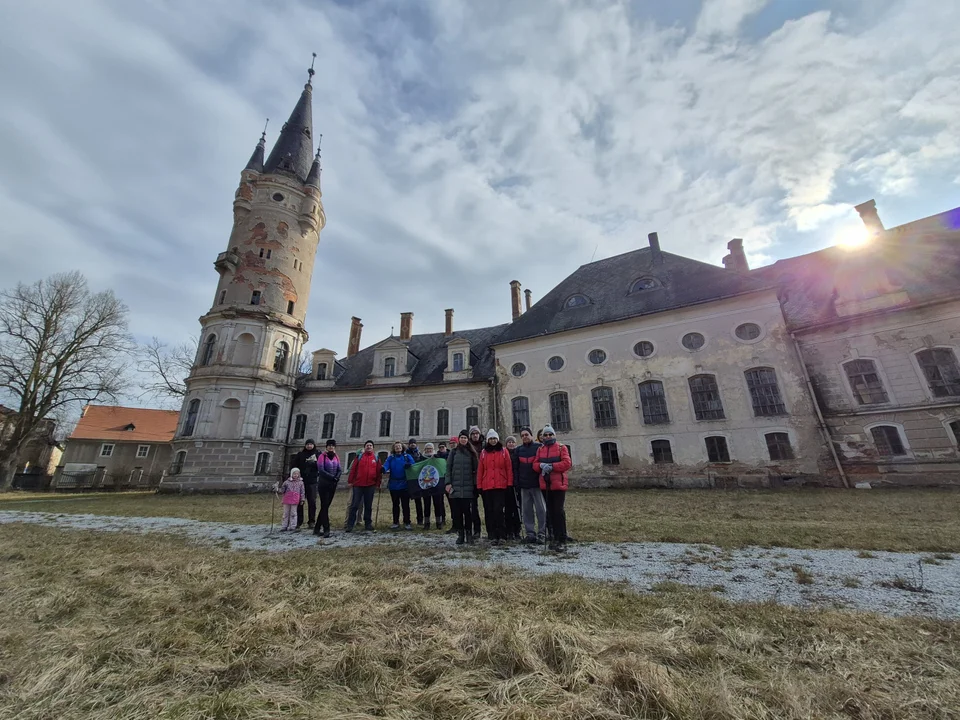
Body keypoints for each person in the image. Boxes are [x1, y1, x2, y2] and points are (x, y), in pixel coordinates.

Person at [533, 425, 573, 552]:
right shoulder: (540, 450)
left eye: (550, 434)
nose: (548, 437)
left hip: (558, 485)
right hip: (545, 485)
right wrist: (541, 465)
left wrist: (552, 466)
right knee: (549, 511)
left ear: (554, 435)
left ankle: (561, 537)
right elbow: (535, 465)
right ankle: (552, 536)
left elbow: (567, 463)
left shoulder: (562, 448)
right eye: (546, 435)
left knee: (558, 511)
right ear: (543, 437)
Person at [477, 429, 514, 545]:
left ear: (497, 439)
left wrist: (509, 483)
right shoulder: (483, 452)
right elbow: (480, 470)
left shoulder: (503, 451)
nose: (493, 440)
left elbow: (508, 468)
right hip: (487, 485)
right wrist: (479, 485)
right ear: (488, 440)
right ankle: (491, 535)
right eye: (491, 439)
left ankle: (502, 535)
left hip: (500, 485)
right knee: (489, 511)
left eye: (494, 438)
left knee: (499, 510)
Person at [445, 429, 479, 545]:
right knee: (457, 513)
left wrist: (475, 485)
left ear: (467, 439)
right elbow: (448, 468)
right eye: (461, 438)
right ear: (459, 439)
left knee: (468, 513)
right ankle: (461, 534)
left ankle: (469, 534)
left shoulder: (472, 453)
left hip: (468, 487)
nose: (463, 439)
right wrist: (448, 483)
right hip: (455, 487)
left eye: (465, 438)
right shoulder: (453, 452)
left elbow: (476, 470)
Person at [514, 426, 545, 544]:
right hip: (524, 485)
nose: (524, 437)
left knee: (541, 510)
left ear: (531, 436)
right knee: (527, 511)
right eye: (522, 436)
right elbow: (516, 467)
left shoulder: (539, 448)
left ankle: (542, 533)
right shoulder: (519, 450)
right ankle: (530, 533)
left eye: (526, 434)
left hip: (537, 484)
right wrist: (517, 482)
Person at [346, 441, 381, 532]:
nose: (369, 447)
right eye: (367, 445)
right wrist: (350, 481)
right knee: (354, 505)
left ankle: (368, 523)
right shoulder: (359, 457)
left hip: (370, 485)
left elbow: (378, 472)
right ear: (364, 447)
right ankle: (350, 524)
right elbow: (353, 469)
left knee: (368, 505)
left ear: (373, 448)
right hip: (358, 485)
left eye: (370, 445)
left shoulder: (376, 458)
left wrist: (378, 483)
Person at [313, 439, 341, 538]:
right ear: (326, 447)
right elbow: (321, 470)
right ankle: (326, 528)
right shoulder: (322, 456)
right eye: (329, 445)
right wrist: (332, 477)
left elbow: (339, 469)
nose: (331, 447)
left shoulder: (336, 456)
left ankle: (316, 528)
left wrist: (337, 476)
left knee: (325, 507)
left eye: (332, 445)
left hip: (332, 485)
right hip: (323, 484)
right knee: (324, 506)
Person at [383, 441, 414, 529]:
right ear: (394, 448)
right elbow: (386, 465)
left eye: (399, 446)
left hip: (405, 484)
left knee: (405, 505)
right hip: (393, 485)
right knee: (395, 504)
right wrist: (383, 469)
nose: (398, 448)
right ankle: (395, 522)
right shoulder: (391, 458)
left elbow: (413, 465)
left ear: (402, 447)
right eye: (396, 446)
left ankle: (407, 522)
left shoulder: (407, 456)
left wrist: (409, 465)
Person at [416, 442, 446, 529]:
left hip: (436, 484)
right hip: (425, 485)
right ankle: (427, 523)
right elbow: (417, 468)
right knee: (426, 504)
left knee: (438, 504)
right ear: (425, 450)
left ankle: (439, 522)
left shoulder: (437, 458)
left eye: (430, 448)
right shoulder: (421, 459)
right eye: (427, 448)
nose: (429, 450)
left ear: (433, 449)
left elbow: (443, 465)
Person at [293, 439, 320, 529]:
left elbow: (321, 466)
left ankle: (311, 521)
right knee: (299, 501)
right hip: (301, 481)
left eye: (311, 444)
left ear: (313, 445)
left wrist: (314, 464)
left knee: (312, 502)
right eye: (307, 444)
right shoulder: (300, 454)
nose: (309, 446)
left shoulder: (317, 454)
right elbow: (294, 466)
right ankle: (298, 521)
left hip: (312, 481)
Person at [503, 435, 522, 540]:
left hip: (517, 484)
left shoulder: (518, 453)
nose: (511, 444)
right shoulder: (503, 453)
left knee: (518, 509)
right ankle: (509, 530)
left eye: (512, 442)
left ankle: (517, 529)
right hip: (506, 485)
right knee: (508, 509)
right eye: (509, 442)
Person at [467, 426, 484, 536]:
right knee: (473, 507)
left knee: (489, 506)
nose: (475, 435)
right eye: (473, 433)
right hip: (472, 480)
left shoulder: (485, 446)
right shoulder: (467, 447)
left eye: (477, 433)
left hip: (484, 479)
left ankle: (492, 530)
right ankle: (476, 530)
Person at [443, 436, 459, 533]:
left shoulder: (460, 453)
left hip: (459, 483)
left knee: (460, 506)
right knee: (452, 505)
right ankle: (455, 525)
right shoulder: (449, 454)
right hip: (451, 483)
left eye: (454, 443)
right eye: (451, 443)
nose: (452, 444)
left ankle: (461, 525)